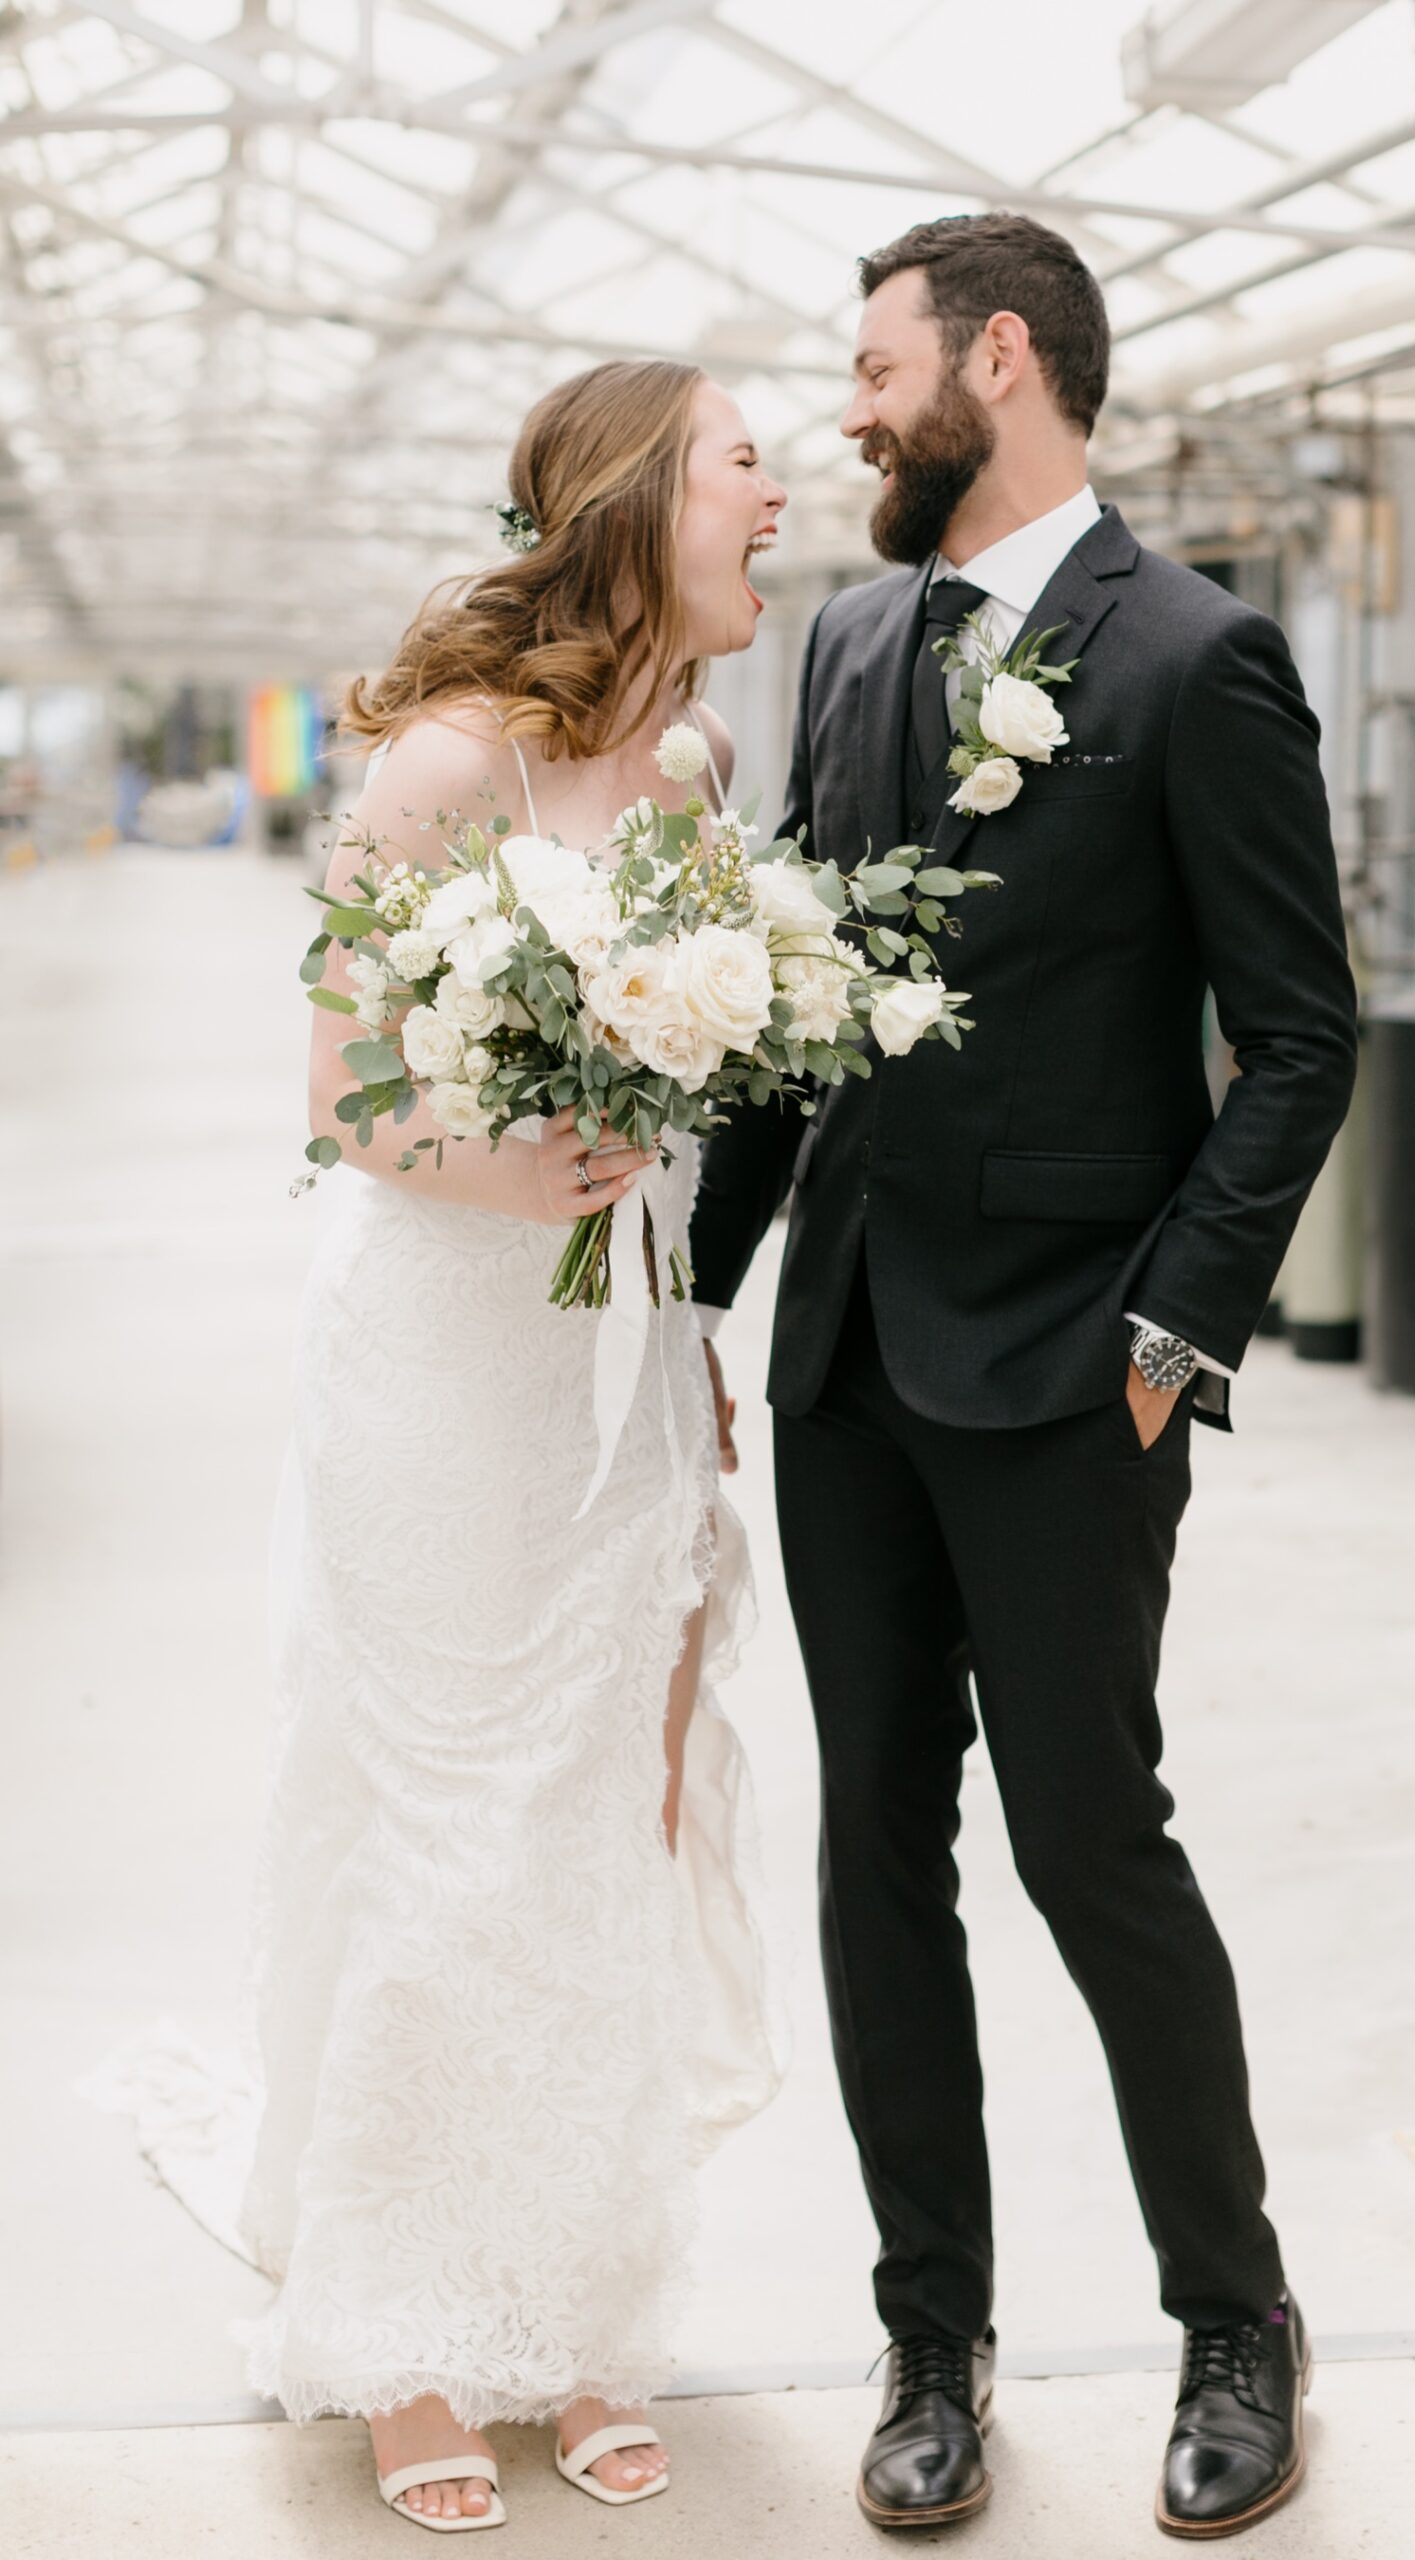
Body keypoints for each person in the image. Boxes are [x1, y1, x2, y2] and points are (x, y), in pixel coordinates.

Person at [689, 213, 1359, 2541]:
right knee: (873, 1851)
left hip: (1076, 1378)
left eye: (872, 366)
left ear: (996, 359)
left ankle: (1234, 2316)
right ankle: (928, 2341)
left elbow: (1295, 1041)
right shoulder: (850, 634)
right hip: (850, 1360)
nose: (849, 411)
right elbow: (800, 989)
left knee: (1089, 1846)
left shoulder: (1196, 658)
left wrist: (1167, 1336)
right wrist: (690, 1282)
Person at [242, 360, 786, 2533]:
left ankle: (577, 2300)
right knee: (449, 1809)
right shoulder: (443, 764)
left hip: (622, 1357)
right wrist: (518, 1174)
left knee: (602, 1819)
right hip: (444, 1365)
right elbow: (339, 1098)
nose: (778, 483)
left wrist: (674, 1302)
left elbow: (689, 1086)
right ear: (640, 501)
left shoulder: (694, 771)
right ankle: (395, 2334)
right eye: (743, 455)